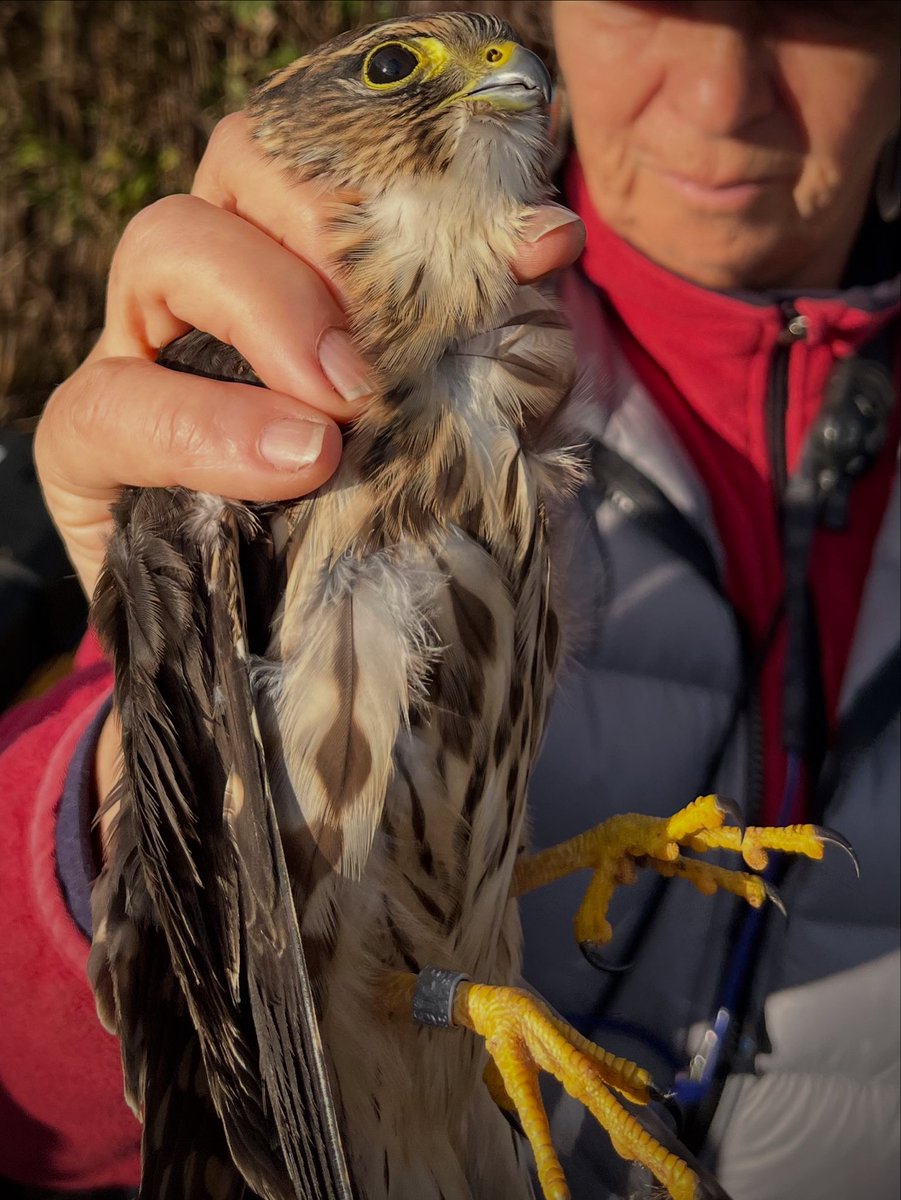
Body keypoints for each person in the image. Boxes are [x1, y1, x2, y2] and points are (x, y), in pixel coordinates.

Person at [1, 2, 898, 1198]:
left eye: (816, 8)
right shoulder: (261, 354)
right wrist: (128, 762)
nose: (718, 99)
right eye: (652, 4)